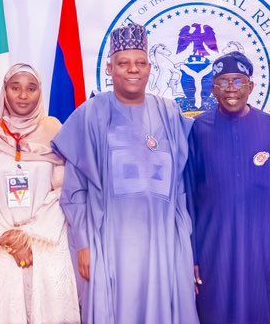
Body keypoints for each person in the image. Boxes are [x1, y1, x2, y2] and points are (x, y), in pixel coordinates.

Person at [54, 23, 198, 323]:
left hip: (162, 242)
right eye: (123, 63)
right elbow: (75, 190)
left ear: (149, 67)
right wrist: (84, 243)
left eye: (140, 63)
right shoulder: (91, 114)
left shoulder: (170, 113)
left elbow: (184, 186)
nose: (133, 70)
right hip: (110, 243)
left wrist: (184, 242)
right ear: (110, 68)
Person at [184, 51, 270, 324]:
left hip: (260, 249)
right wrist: (192, 254)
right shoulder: (199, 129)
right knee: (213, 311)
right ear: (212, 88)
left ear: (251, 87)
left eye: (239, 82)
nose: (231, 89)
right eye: (223, 82)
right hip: (213, 249)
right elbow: (190, 199)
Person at [0, 63, 80, 324]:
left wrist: (30, 234)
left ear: (39, 93)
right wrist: (6, 235)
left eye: (31, 89)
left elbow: (65, 189)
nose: (23, 95)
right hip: (2, 245)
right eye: (15, 87)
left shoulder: (57, 133)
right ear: (4, 91)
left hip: (46, 243)